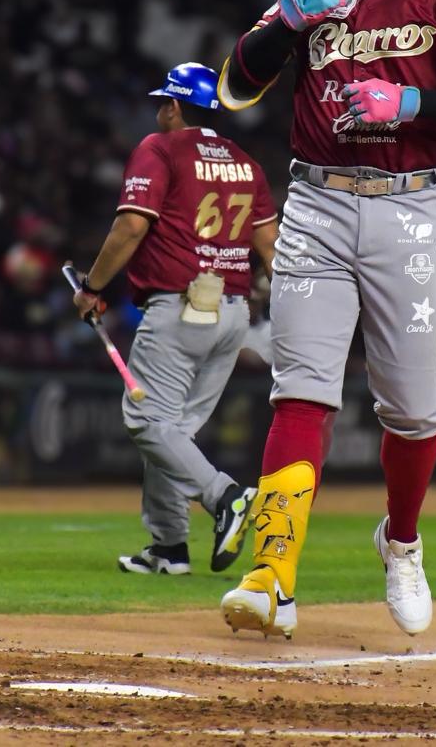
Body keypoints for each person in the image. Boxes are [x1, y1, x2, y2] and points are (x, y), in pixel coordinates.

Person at [214, 0, 436, 638]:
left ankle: (402, 541)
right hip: (314, 201)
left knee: (413, 410)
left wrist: (413, 101)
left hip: (407, 208)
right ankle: (271, 574)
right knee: (301, 389)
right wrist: (289, 19)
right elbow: (233, 87)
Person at [71, 63, 279, 576]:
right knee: (173, 434)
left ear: (176, 106)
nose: (160, 109)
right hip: (233, 315)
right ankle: (168, 547)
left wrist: (93, 288)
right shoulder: (246, 163)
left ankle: (225, 495)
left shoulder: (159, 148)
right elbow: (271, 250)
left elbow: (131, 226)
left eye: (164, 101)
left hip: (181, 312)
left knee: (146, 421)